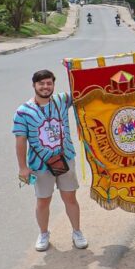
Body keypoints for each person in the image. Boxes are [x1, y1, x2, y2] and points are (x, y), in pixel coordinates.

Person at [13, 69, 87, 251]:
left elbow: (83, 89)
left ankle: (77, 231)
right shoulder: (23, 112)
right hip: (40, 165)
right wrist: (23, 167)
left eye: (49, 83)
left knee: (70, 197)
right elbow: (20, 141)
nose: (45, 87)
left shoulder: (62, 100)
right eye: (41, 84)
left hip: (65, 159)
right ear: (34, 85)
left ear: (53, 85)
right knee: (43, 200)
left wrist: (74, 67)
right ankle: (44, 233)